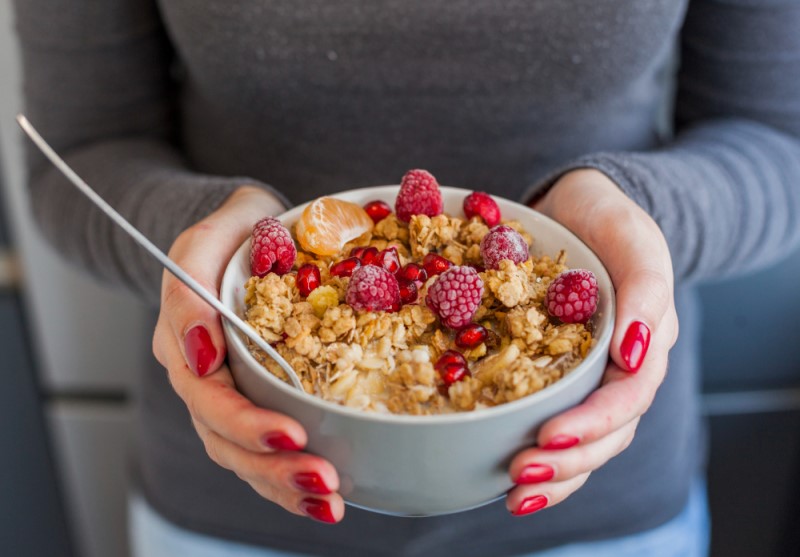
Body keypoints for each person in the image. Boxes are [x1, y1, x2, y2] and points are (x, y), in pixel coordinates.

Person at [13, 1, 800, 556]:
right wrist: (209, 231)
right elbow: (80, 152)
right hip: (239, 496)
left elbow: (776, 141)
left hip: (595, 497)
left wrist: (633, 211)